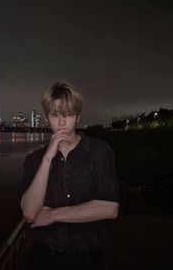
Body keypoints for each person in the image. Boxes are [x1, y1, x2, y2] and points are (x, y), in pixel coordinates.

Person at [20, 81, 120, 270]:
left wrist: (53, 215)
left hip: (88, 257)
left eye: (69, 115)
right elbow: (30, 213)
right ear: (47, 117)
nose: (62, 122)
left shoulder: (99, 151)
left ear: (78, 117)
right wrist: (48, 158)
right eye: (55, 115)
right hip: (43, 256)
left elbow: (109, 208)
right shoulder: (34, 159)